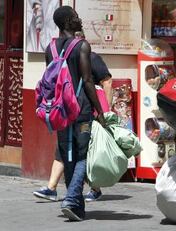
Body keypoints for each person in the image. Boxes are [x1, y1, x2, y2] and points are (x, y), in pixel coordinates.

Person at [44, 5, 105, 221]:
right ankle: (71, 198)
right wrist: (100, 110)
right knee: (82, 155)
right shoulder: (82, 45)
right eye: (76, 17)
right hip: (80, 109)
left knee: (66, 155)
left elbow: (50, 82)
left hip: (59, 110)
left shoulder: (50, 48)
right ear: (69, 21)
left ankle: (76, 207)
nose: (79, 20)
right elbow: (88, 81)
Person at [32, 51, 113, 202]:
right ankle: (51, 188)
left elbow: (107, 81)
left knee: (87, 150)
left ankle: (94, 189)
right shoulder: (62, 58)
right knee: (63, 148)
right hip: (66, 111)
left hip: (88, 112)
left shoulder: (91, 58)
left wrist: (105, 110)